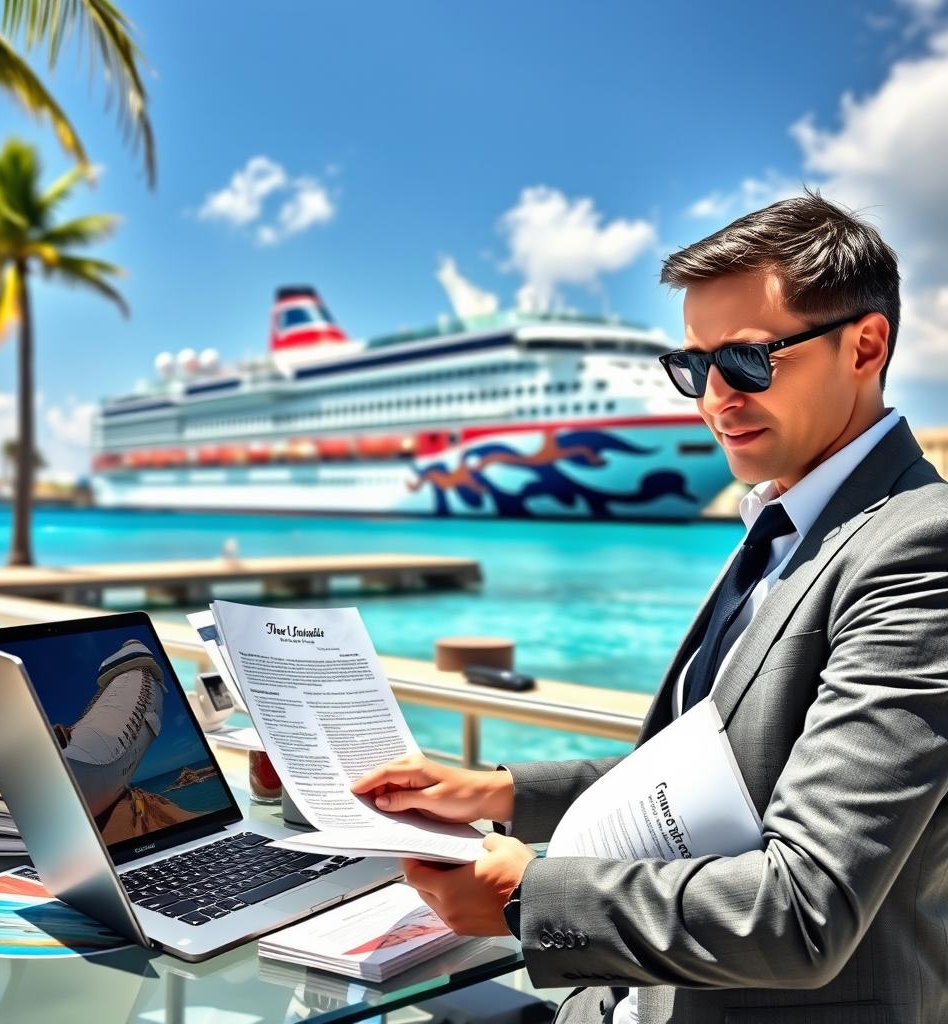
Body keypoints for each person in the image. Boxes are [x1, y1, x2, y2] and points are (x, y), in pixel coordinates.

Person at [351, 189, 948, 1024]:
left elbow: (803, 912)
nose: (712, 401)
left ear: (866, 345)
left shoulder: (921, 549)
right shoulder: (781, 526)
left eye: (745, 362)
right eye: (694, 368)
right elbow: (716, 781)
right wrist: (495, 790)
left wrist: (527, 901)